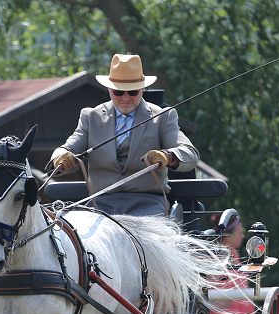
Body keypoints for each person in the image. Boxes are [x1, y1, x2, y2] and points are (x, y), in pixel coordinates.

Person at [50, 54, 199, 216]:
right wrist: (60, 157)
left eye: (133, 92)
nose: (126, 98)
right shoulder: (90, 117)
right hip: (99, 204)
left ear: (142, 89)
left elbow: (190, 153)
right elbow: (67, 148)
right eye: (119, 92)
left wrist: (168, 156)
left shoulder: (164, 116)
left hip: (148, 204)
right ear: (109, 89)